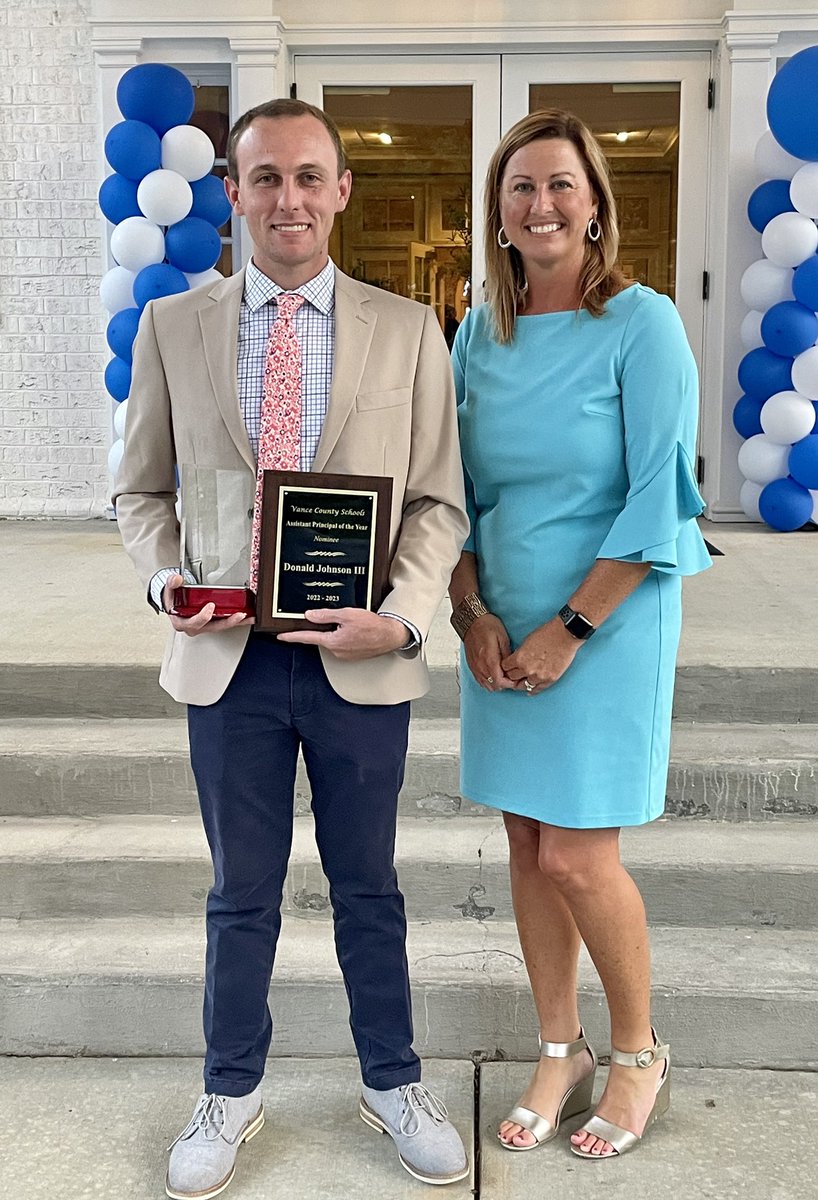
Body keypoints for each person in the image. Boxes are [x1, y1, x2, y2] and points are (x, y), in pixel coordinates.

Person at [114, 98, 470, 1199]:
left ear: (341, 190)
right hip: (231, 662)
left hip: (360, 656)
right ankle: (229, 1092)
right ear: (232, 192)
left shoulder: (407, 330)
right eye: (265, 178)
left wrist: (403, 617)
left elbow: (436, 502)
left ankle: (393, 1082)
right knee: (240, 893)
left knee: (368, 887)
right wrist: (169, 583)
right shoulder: (172, 325)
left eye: (309, 176)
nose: (289, 199)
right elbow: (140, 492)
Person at [448, 109, 711, 1162]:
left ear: (596, 205)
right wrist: (469, 613)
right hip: (501, 620)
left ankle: (638, 1052)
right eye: (520, 187)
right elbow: (454, 497)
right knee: (524, 841)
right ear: (497, 213)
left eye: (561, 184)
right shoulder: (479, 332)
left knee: (575, 851)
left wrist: (569, 628)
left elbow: (660, 499)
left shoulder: (643, 324)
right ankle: (559, 1049)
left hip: (606, 619)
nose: (540, 204)